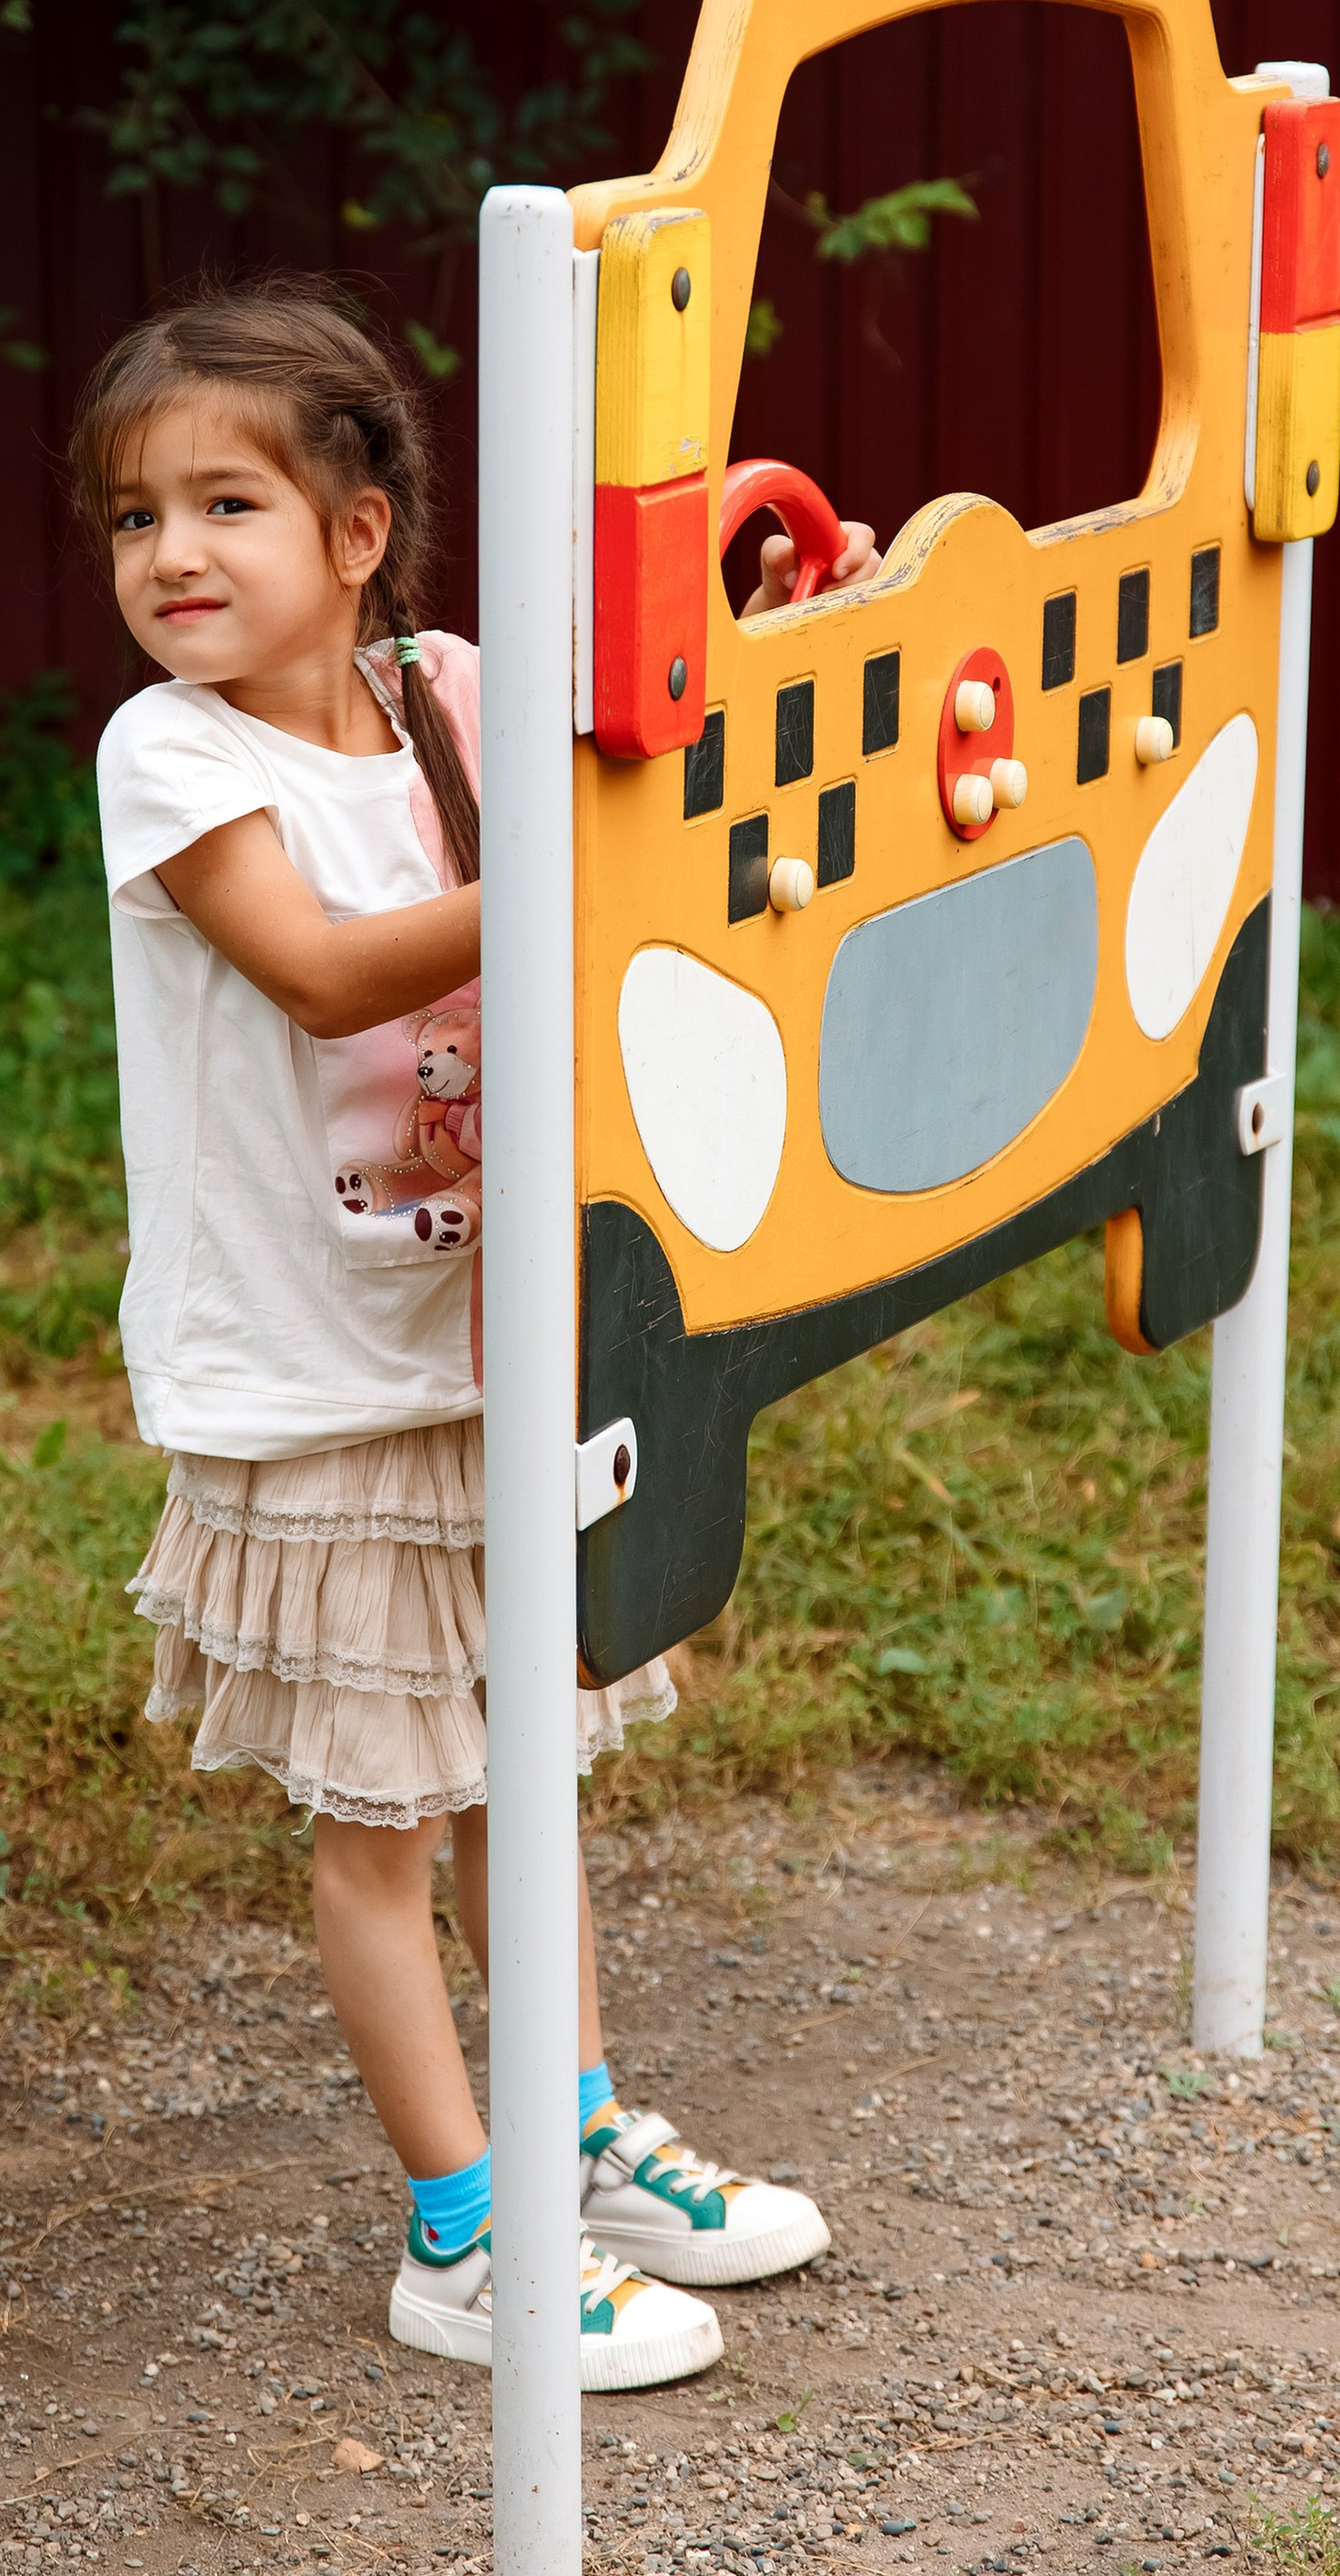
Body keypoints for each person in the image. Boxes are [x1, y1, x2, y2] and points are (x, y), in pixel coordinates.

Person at [80, 279, 874, 2392]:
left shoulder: (446, 694)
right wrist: (582, 876)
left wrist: (801, 633)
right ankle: (462, 2232)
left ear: (355, 534)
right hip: (319, 1380)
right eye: (132, 518)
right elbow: (330, 975)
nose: (169, 555)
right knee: (385, 1821)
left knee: (529, 1768)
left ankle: (576, 2141)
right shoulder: (170, 754)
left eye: (224, 503)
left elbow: (652, 734)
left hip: (502, 1347)